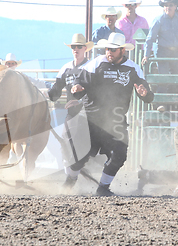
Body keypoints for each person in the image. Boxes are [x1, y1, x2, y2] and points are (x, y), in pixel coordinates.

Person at [66, 32, 154, 196]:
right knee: (80, 157)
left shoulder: (133, 68)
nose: (109, 53)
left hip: (116, 121)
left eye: (113, 50)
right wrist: (76, 88)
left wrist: (144, 94)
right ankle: (69, 182)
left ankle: (103, 188)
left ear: (122, 50)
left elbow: (148, 95)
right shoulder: (96, 64)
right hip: (92, 119)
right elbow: (79, 82)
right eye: (107, 49)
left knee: (119, 154)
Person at [48, 34, 94, 170]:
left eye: (79, 46)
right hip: (73, 114)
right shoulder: (65, 69)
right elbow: (55, 93)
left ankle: (81, 168)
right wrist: (48, 95)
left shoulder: (92, 67)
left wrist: (80, 102)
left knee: (85, 143)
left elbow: (98, 92)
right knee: (66, 139)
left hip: (91, 114)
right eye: (74, 47)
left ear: (85, 48)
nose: (76, 49)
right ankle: (70, 170)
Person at [142, 0, 178, 109]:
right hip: (162, 52)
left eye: (170, 5)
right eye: (166, 5)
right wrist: (146, 55)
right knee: (163, 78)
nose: (168, 7)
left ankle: (173, 104)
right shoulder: (159, 20)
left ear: (175, 6)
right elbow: (150, 39)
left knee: (176, 78)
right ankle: (161, 104)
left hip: (175, 52)